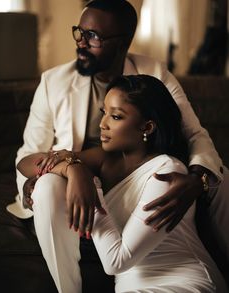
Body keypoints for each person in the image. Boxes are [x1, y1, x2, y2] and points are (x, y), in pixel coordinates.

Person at [7, 0, 228, 277]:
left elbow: (194, 134)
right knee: (46, 186)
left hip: (134, 174)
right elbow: (28, 152)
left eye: (93, 36)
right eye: (79, 31)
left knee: (222, 176)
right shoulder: (53, 81)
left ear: (124, 42)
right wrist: (45, 181)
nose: (81, 42)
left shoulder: (154, 73)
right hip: (73, 173)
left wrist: (198, 180)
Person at [17, 75, 228, 292]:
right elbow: (26, 163)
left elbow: (116, 261)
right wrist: (72, 169)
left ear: (147, 127)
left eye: (116, 117)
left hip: (183, 282)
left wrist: (92, 186)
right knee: (49, 182)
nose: (103, 124)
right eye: (104, 112)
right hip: (131, 287)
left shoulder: (166, 171)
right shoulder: (105, 159)